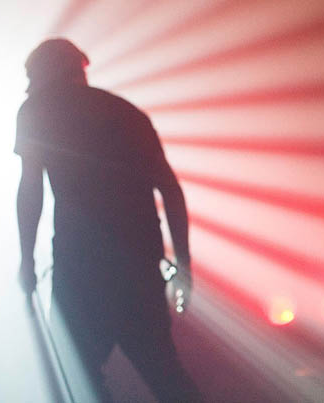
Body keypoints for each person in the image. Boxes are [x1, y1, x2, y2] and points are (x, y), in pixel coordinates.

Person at [15, 38, 200, 402]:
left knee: (72, 380)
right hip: (138, 267)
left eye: (31, 75)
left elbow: (30, 191)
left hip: (80, 271)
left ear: (47, 71)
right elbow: (170, 189)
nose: (28, 85)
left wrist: (27, 261)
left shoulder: (36, 111)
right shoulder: (127, 113)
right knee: (166, 376)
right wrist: (183, 262)